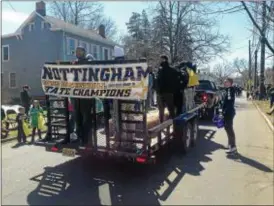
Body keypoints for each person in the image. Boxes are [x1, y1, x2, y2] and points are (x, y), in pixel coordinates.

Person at [72, 46, 94, 146]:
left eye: (79, 51)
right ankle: (79, 137)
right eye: (76, 51)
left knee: (86, 118)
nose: (77, 53)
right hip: (76, 96)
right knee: (78, 117)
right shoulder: (74, 63)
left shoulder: (88, 61)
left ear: (84, 52)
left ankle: (87, 139)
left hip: (86, 96)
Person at [156, 55, 177, 122]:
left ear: (164, 60)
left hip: (161, 92)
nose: (159, 61)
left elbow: (158, 81)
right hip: (169, 92)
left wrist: (157, 90)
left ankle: (161, 125)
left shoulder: (160, 70)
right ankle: (173, 124)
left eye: (161, 59)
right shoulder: (172, 70)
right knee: (171, 109)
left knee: (161, 110)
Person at [223, 78, 237, 154]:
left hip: (229, 112)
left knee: (229, 129)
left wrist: (225, 111)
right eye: (224, 82)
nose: (224, 82)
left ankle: (233, 147)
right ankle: (230, 144)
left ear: (230, 83)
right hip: (228, 112)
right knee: (227, 128)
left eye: (226, 82)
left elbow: (229, 103)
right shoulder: (228, 90)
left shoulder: (229, 90)